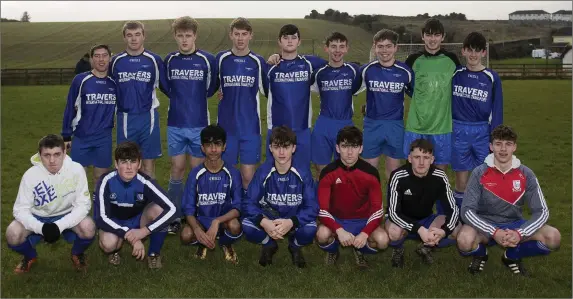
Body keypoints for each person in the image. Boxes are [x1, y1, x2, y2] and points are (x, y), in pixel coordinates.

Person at [457, 125, 560, 276]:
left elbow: (542, 211)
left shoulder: (526, 174)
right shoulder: (479, 173)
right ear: (491, 147)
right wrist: (494, 232)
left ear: (514, 147)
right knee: (464, 241)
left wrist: (520, 233)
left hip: (514, 224)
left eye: (508, 144)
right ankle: (481, 253)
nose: (503, 149)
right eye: (498, 144)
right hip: (485, 224)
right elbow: (466, 211)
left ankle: (512, 256)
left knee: (553, 237)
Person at [6, 134, 95, 273]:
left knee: (89, 227)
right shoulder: (30, 175)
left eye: (57, 154)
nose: (52, 160)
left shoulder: (77, 170)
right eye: (47, 155)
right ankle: (29, 257)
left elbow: (84, 205)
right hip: (38, 216)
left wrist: (59, 225)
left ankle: (77, 253)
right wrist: (41, 228)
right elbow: (20, 210)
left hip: (67, 213)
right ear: (39, 155)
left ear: (65, 153)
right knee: (12, 234)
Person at [163, 16, 218, 234]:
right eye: (180, 35)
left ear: (195, 36)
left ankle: (195, 214)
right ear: (175, 36)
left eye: (188, 35)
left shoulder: (207, 59)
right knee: (177, 169)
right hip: (175, 123)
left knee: (197, 171)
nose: (184, 40)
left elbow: (211, 87)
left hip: (198, 125)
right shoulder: (169, 60)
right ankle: (174, 215)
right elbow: (166, 87)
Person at [242, 126, 319, 268]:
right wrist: (264, 222)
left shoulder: (303, 172)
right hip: (270, 217)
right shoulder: (264, 171)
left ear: (294, 148)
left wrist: (292, 222)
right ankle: (269, 244)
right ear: (270, 148)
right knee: (246, 226)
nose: (282, 152)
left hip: (293, 218)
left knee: (310, 229)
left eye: (286, 147)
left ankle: (294, 246)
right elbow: (247, 202)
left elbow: (313, 207)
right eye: (277, 147)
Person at [94, 141, 176, 269]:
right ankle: (115, 249)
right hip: (115, 221)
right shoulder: (106, 181)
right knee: (108, 243)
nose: (129, 167)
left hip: (138, 221)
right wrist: (132, 236)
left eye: (133, 162)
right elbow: (100, 218)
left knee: (159, 209)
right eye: (124, 162)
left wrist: (144, 231)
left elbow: (172, 208)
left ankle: (154, 253)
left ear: (139, 164)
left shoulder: (145, 182)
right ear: (116, 164)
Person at [316, 126, 388, 268]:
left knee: (382, 240)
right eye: (345, 146)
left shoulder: (370, 173)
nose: (349, 152)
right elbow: (321, 209)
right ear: (337, 148)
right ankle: (333, 250)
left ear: (361, 149)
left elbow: (377, 209)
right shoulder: (328, 172)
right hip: (337, 219)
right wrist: (339, 230)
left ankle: (359, 248)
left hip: (363, 220)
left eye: (354, 147)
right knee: (322, 234)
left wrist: (365, 233)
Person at [109, 21, 169, 179]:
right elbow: (108, 89)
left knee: (148, 164)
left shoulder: (154, 60)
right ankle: (127, 201)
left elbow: (166, 87)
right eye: (129, 35)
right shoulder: (116, 61)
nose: (133, 39)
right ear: (124, 38)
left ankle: (150, 202)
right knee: (125, 163)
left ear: (144, 36)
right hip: (125, 118)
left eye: (137, 34)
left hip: (148, 117)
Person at [386, 138, 460, 268]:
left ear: (432, 160)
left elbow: (453, 210)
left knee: (456, 229)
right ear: (409, 158)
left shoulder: (440, 177)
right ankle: (398, 249)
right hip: (402, 220)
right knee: (394, 232)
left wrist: (444, 231)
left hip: (426, 218)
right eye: (417, 157)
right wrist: (418, 229)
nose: (421, 162)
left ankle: (426, 247)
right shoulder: (398, 176)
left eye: (426, 157)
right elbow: (393, 213)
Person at [451, 32, 503, 210]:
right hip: (458, 130)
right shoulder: (455, 73)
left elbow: (497, 109)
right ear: (463, 51)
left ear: (483, 53)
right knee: (461, 179)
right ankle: (460, 217)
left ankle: (483, 216)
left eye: (477, 51)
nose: (473, 54)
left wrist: (494, 138)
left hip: (482, 131)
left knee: (485, 178)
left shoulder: (491, 77)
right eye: (469, 50)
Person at [215, 17, 268, 193]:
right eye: (236, 34)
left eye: (244, 34)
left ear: (250, 36)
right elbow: (210, 85)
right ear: (231, 35)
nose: (240, 38)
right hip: (226, 128)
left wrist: (276, 57)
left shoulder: (258, 61)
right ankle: (228, 212)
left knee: (248, 176)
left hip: (250, 128)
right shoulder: (221, 59)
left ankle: (247, 215)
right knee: (226, 176)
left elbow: (269, 90)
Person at [264, 24, 327, 168]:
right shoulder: (270, 66)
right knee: (275, 170)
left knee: (302, 170)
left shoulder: (310, 63)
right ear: (279, 41)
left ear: (299, 41)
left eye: (293, 38)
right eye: (285, 38)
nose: (290, 41)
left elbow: (333, 66)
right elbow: (261, 89)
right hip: (276, 128)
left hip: (302, 127)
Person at [355, 29, 413, 181]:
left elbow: (415, 95)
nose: (384, 50)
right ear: (375, 47)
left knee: (394, 172)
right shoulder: (367, 70)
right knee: (369, 172)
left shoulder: (405, 72)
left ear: (396, 47)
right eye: (380, 46)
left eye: (388, 46)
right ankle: (373, 205)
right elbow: (352, 90)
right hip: (372, 125)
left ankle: (393, 205)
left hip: (395, 125)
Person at [403, 18, 461, 171]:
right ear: (422, 36)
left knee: (439, 172)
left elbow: (460, 86)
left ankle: (437, 196)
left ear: (443, 37)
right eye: (428, 35)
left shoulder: (452, 60)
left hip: (442, 126)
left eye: (436, 35)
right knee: (413, 170)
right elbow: (403, 85)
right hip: (416, 125)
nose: (432, 39)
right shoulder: (413, 60)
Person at [180, 125, 243, 264]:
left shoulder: (233, 173)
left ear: (224, 146)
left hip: (223, 220)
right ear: (202, 148)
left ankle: (226, 243)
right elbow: (188, 208)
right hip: (201, 220)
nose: (213, 149)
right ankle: (203, 242)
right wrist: (196, 229)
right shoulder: (195, 174)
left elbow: (237, 207)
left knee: (235, 226)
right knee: (186, 235)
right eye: (208, 145)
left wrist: (217, 221)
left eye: (217, 144)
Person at [61, 44, 117, 190]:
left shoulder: (114, 82)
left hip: (104, 138)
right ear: (91, 59)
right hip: (81, 136)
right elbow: (69, 107)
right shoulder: (80, 80)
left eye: (104, 55)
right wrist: (66, 135)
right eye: (97, 56)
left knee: (100, 179)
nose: (101, 59)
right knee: (78, 180)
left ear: (110, 58)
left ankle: (98, 210)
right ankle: (80, 212)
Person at [309, 32, 361, 175]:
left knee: (347, 169)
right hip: (324, 123)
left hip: (345, 123)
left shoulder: (354, 71)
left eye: (341, 46)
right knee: (321, 169)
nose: (337, 50)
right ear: (326, 48)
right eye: (333, 46)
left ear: (346, 49)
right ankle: (324, 196)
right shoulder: (319, 73)